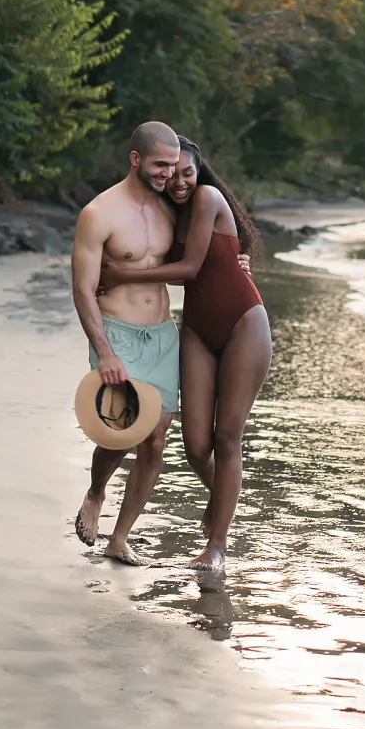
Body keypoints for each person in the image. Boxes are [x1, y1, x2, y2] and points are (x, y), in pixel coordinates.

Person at [100, 136, 270, 577]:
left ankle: (217, 544)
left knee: (226, 438)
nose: (178, 182)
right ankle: (224, 501)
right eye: (171, 173)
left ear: (200, 172)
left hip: (243, 324)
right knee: (195, 446)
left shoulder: (209, 198)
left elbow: (193, 269)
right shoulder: (164, 213)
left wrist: (121, 274)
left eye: (187, 173)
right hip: (196, 330)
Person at [71, 120, 186, 565]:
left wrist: (236, 260)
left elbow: (195, 259)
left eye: (173, 166)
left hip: (162, 334)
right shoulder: (99, 214)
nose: (168, 174)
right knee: (121, 434)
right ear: (136, 159)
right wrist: (105, 352)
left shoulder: (172, 209)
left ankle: (120, 538)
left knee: (155, 441)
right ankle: (97, 491)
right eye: (160, 165)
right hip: (117, 333)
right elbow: (83, 290)